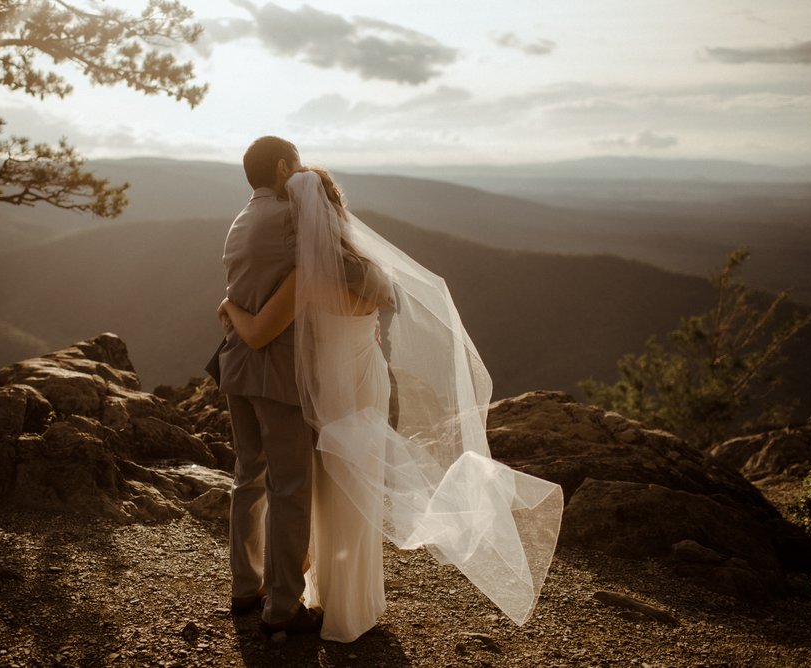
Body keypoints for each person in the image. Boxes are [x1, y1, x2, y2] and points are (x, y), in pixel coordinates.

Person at [219, 164, 565, 643]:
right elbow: (376, 315)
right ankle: (348, 599)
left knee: (309, 489)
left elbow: (259, 332)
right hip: (364, 383)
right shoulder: (370, 273)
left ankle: (307, 595)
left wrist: (230, 308)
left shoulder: (303, 278)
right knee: (344, 490)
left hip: (323, 389)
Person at [219, 136, 322, 635]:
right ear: (284, 168)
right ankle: (283, 606)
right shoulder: (290, 219)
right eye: (297, 166)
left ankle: (244, 587)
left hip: (235, 366)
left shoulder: (240, 220)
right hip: (278, 372)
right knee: (291, 487)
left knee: (248, 476)